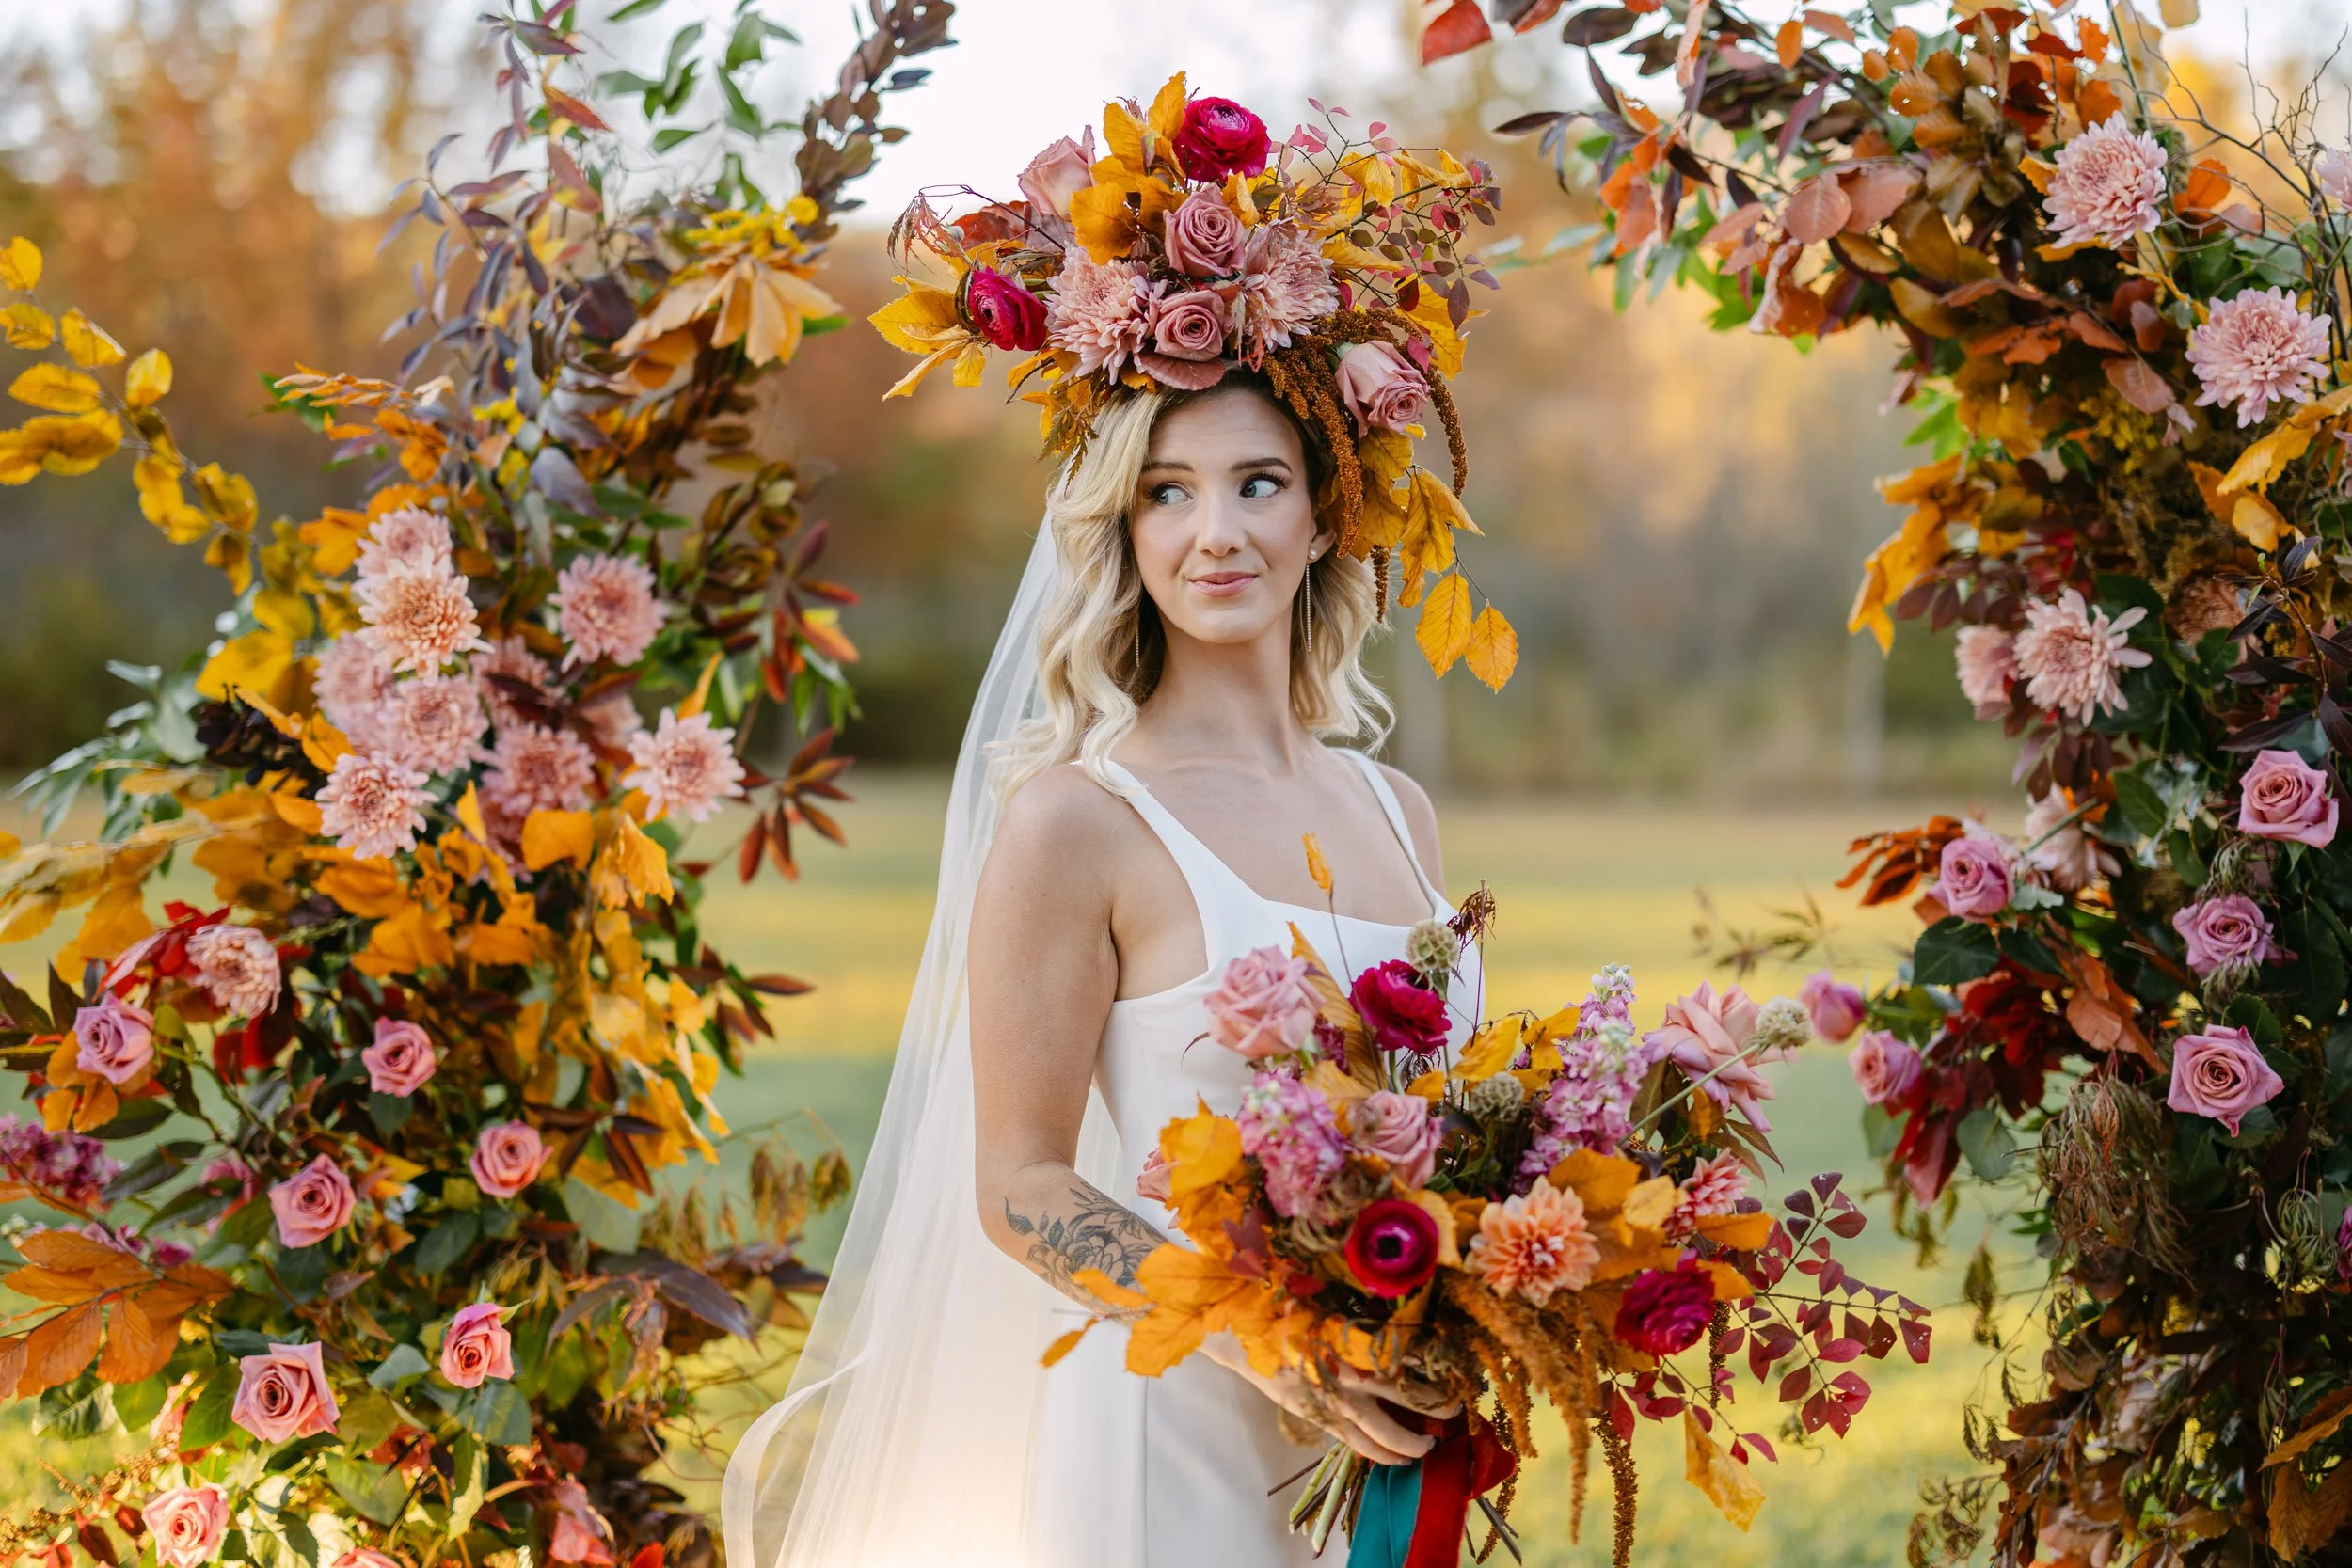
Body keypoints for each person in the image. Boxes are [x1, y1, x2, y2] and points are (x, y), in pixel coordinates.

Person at [723, 80, 1500, 1568]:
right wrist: (1270, 1344)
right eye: (1168, 495)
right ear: (1124, 533)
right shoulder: (1076, 822)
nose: (1218, 533)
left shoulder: (1395, 810)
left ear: (1323, 514)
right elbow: (1022, 1185)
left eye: (1258, 483)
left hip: (1388, 1434)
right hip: (1172, 1443)